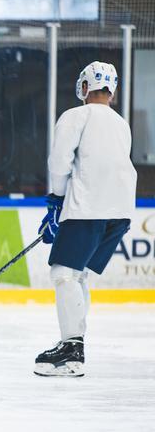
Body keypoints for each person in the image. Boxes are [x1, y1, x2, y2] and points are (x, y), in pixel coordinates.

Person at [34, 61, 136, 377]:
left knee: (63, 273)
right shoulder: (121, 123)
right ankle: (73, 346)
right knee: (77, 276)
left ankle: (71, 348)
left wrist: (55, 202)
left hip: (88, 208)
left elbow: (59, 162)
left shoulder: (75, 116)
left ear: (84, 87)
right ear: (112, 90)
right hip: (120, 212)